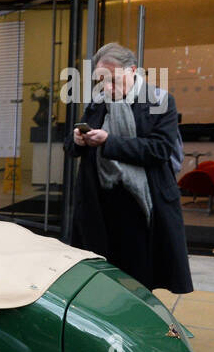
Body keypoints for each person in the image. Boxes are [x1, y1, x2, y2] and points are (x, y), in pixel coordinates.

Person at [65, 42, 192, 294]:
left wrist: (109, 141)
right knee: (101, 274)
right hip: (99, 205)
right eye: (101, 81)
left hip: (141, 206)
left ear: (132, 70)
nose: (107, 88)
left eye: (113, 80)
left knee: (138, 279)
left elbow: (159, 150)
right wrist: (77, 141)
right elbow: (72, 148)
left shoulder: (160, 101)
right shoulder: (97, 102)